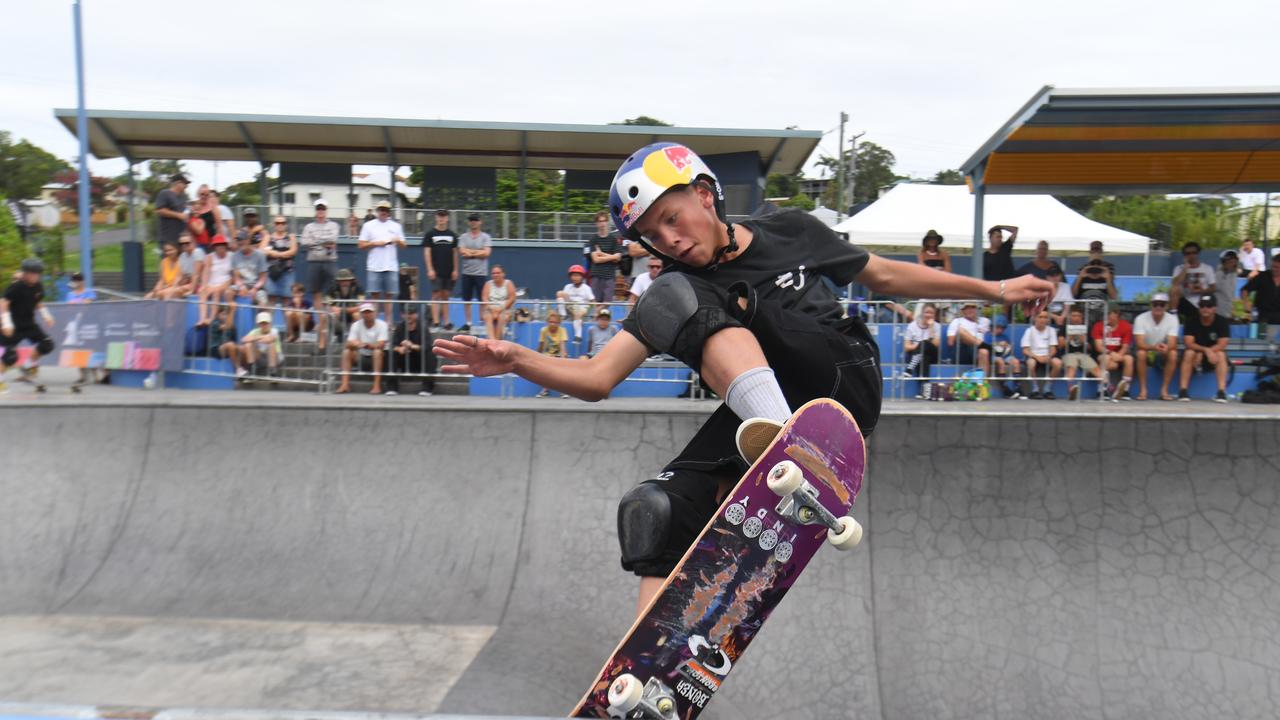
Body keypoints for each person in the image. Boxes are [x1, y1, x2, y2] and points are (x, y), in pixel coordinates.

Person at [432, 142, 1053, 615]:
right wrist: (517, 361)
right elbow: (598, 378)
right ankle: (650, 676)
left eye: (673, 219)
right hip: (765, 414)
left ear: (706, 194)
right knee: (656, 509)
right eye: (652, 237)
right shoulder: (676, 285)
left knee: (679, 297)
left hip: (840, 377)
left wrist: (995, 288)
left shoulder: (792, 230)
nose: (671, 241)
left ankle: (786, 440)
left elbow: (886, 277)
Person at [0, 259, 56, 392]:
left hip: (29, 325)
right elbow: (3, 303)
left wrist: (46, 315)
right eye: (32, 274)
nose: (35, 277)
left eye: (37, 274)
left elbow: (38, 302)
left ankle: (28, 367)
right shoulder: (16, 287)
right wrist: (6, 323)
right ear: (24, 274)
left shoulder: (38, 286)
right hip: (13, 326)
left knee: (47, 344)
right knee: (10, 356)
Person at [358, 200, 405, 322]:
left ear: (389, 212)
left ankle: (388, 324)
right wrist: (374, 243)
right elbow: (361, 245)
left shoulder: (396, 226)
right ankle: (375, 323)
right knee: (375, 296)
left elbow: (404, 245)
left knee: (389, 296)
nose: (383, 212)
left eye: (385, 210)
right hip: (374, 266)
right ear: (377, 211)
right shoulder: (368, 225)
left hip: (391, 266)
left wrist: (397, 240)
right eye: (381, 209)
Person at [1179, 294, 1231, 403]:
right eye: (1202, 306)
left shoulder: (1222, 321)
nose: (1205, 309)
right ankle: (1183, 390)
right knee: (1189, 353)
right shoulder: (1191, 320)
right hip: (1195, 356)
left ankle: (1221, 392)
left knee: (1221, 354)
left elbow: (1222, 344)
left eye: (1209, 306)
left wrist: (1209, 352)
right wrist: (1205, 350)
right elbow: (1188, 343)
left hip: (1213, 357)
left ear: (1215, 307)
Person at [300, 199, 340, 339]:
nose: (320, 211)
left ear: (326, 210)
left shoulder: (334, 225)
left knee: (331, 293)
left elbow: (333, 239)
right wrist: (323, 243)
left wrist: (316, 243)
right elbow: (304, 242)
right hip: (314, 262)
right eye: (318, 209)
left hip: (330, 261)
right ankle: (320, 320)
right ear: (315, 210)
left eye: (322, 209)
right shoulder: (309, 226)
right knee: (316, 293)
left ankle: (330, 321)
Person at [1132, 292, 1181, 401]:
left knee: (1173, 354)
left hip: (1161, 352)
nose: (1158, 307)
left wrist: (1166, 347)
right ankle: (1143, 390)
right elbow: (1139, 343)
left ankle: (1164, 390)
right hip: (1147, 350)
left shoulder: (1173, 319)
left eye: (1162, 304)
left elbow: (1172, 343)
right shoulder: (1140, 318)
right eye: (1155, 304)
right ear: (1151, 305)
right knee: (1141, 353)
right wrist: (1154, 347)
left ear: (1167, 306)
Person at [337, 303, 387, 394]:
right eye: (364, 312)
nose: (367, 314)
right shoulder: (356, 325)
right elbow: (348, 344)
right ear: (361, 314)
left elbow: (382, 344)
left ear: (374, 313)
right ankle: (344, 385)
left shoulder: (382, 324)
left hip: (377, 357)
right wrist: (357, 344)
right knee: (346, 352)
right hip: (360, 355)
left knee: (377, 352)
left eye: (369, 312)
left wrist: (368, 345)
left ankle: (376, 386)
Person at [424, 209, 459, 331]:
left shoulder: (452, 235)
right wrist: (430, 269)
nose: (441, 219)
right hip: (436, 270)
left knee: (446, 296)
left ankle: (447, 322)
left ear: (447, 218)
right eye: (439, 216)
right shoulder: (430, 234)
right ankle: (436, 322)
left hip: (448, 271)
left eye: (444, 216)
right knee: (435, 295)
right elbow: (427, 252)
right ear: (436, 218)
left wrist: (455, 270)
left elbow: (455, 253)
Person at [387, 305, 434, 396]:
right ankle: (392, 387)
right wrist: (399, 349)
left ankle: (427, 388)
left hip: (420, 361)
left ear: (416, 315)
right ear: (402, 315)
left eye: (411, 313)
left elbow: (427, 346)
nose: (408, 316)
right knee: (391, 353)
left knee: (430, 354)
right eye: (406, 313)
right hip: (404, 360)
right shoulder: (400, 327)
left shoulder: (423, 327)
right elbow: (392, 345)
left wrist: (412, 346)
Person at [457, 213, 492, 333]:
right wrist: (478, 252)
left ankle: (482, 321)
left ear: (480, 222)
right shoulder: (463, 237)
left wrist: (470, 253)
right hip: (467, 273)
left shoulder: (485, 237)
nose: (473, 222)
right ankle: (468, 323)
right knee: (467, 299)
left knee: (482, 299)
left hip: (481, 273)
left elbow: (486, 253)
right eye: (471, 220)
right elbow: (462, 251)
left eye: (476, 220)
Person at [1091, 306, 1134, 400]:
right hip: (1103, 354)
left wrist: (1119, 355)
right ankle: (1102, 389)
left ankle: (1125, 390)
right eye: (1106, 314)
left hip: (1119, 354)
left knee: (1129, 359)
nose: (1107, 317)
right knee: (1106, 358)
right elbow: (1099, 347)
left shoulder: (1126, 326)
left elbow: (1125, 346)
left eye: (1110, 314)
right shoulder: (1098, 326)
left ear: (1117, 315)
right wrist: (1111, 353)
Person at [1060, 307, 1102, 401]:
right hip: (1068, 353)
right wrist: (1070, 337)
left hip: (1083, 354)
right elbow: (1061, 345)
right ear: (1070, 317)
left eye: (1079, 316)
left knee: (1095, 368)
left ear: (1082, 318)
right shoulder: (1064, 327)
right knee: (1071, 366)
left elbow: (1092, 348)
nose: (1076, 318)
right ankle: (1071, 390)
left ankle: (1106, 389)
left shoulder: (1088, 328)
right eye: (1074, 315)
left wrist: (1084, 341)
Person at [1170, 241, 1215, 326]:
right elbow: (1174, 284)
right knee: (1173, 289)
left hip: (1202, 302)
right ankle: (1173, 315)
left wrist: (1202, 291)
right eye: (1188, 253)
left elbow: (1213, 288)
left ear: (1198, 253)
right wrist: (1185, 268)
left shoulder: (1207, 268)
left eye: (1194, 252)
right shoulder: (1179, 268)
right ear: (1184, 255)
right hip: (1184, 301)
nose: (1191, 255)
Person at [1072, 243, 1117, 329]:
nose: (1096, 253)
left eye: (1098, 251)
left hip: (1101, 312)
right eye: (1093, 251)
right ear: (1090, 252)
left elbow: (1113, 296)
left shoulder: (1108, 268)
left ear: (1102, 252)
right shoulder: (1083, 268)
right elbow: (1073, 294)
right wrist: (1080, 277)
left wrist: (1107, 278)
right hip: (1084, 312)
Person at [1241, 252, 1280, 349]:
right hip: (1264, 316)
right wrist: (1246, 303)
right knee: (1262, 343)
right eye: (1273, 266)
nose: (1274, 269)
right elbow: (1245, 290)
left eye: (1277, 267)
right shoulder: (1263, 276)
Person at [1021, 310, 1061, 399]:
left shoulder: (1051, 330)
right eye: (1040, 317)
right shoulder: (1029, 331)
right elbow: (1025, 350)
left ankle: (1048, 389)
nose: (1043, 319)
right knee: (1031, 363)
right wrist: (1037, 357)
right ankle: (1035, 389)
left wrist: (1048, 356)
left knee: (1058, 363)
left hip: (1047, 356)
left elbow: (1053, 349)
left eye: (1045, 317)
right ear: (1035, 318)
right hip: (1034, 356)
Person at [196, 236, 234, 326]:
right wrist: (204, 285)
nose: (220, 248)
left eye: (222, 245)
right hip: (211, 283)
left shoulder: (231, 256)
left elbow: (233, 274)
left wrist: (220, 286)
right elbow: (206, 272)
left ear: (225, 246)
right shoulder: (209, 257)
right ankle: (202, 319)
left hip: (225, 282)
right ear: (214, 247)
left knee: (216, 292)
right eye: (217, 246)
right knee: (202, 292)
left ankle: (212, 319)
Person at [261, 216, 298, 305]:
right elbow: (262, 250)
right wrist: (283, 254)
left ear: (286, 225)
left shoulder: (291, 237)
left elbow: (293, 251)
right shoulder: (268, 237)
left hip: (287, 272)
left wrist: (275, 253)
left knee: (287, 301)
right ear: (274, 225)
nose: (280, 225)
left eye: (283, 223)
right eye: (278, 223)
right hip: (271, 272)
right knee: (271, 299)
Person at [947, 301, 991, 375]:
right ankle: (983, 346)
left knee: (984, 352)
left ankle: (981, 384)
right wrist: (968, 338)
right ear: (963, 310)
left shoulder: (986, 321)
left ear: (977, 309)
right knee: (960, 331)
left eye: (972, 307)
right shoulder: (957, 321)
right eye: (967, 308)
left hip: (980, 352)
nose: (970, 310)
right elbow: (950, 342)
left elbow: (994, 335)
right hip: (962, 352)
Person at [588, 211, 624, 302]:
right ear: (596, 223)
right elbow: (596, 260)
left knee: (607, 303)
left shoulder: (614, 239)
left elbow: (618, 258)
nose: (602, 223)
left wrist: (602, 254)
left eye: (604, 221)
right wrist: (612, 257)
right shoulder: (593, 239)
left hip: (610, 277)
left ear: (607, 222)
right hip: (597, 276)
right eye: (600, 221)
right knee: (595, 303)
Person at [900, 302, 939, 381]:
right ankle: (924, 391)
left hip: (932, 354)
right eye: (927, 312)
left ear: (934, 315)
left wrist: (931, 328)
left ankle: (910, 369)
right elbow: (906, 347)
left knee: (924, 343)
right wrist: (920, 347)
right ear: (922, 313)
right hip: (917, 356)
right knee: (923, 358)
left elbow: (936, 344)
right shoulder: (912, 325)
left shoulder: (936, 326)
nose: (929, 315)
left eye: (931, 313)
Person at [534, 311, 570, 397]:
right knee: (545, 365)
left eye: (555, 322)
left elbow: (562, 346)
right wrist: (534, 356)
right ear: (547, 322)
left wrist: (563, 358)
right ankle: (545, 390)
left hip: (558, 355)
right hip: (547, 356)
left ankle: (563, 391)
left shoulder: (562, 330)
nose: (553, 324)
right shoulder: (543, 330)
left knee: (562, 363)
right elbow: (541, 346)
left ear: (559, 323)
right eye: (551, 322)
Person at [989, 315, 1024, 398]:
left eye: (1002, 328)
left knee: (1016, 361)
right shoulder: (988, 335)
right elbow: (987, 347)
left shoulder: (1004, 337)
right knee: (1000, 361)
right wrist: (997, 344)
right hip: (993, 356)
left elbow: (1008, 350)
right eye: (997, 327)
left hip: (1005, 355)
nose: (999, 330)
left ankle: (1018, 388)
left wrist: (1008, 346)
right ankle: (1005, 388)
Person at [556, 265, 595, 341]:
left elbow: (593, 301)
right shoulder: (567, 286)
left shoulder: (586, 288)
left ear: (582, 277)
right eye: (573, 275)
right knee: (559, 293)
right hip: (570, 306)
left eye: (577, 275)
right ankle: (563, 315)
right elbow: (564, 299)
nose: (575, 278)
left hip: (583, 308)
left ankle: (578, 336)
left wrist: (589, 311)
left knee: (577, 313)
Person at [240, 311, 282, 378]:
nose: (264, 325)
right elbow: (243, 340)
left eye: (266, 323)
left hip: (275, 357)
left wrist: (254, 339)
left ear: (270, 323)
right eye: (262, 323)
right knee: (248, 344)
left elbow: (270, 339)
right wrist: (260, 337)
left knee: (271, 345)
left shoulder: (274, 330)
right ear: (258, 324)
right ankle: (251, 369)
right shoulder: (255, 331)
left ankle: (273, 372)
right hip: (261, 357)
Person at [231, 232, 269, 306]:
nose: (240, 242)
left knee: (263, 302)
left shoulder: (260, 255)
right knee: (228, 293)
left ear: (248, 240)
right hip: (242, 284)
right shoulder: (234, 256)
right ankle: (230, 314)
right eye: (238, 240)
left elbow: (263, 279)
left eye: (242, 239)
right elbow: (236, 278)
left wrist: (255, 289)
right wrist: (241, 286)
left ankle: (261, 315)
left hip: (257, 286)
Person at [481, 264, 516, 340]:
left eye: (498, 273)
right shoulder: (488, 284)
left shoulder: (509, 283)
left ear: (503, 274)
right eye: (493, 273)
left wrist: (500, 309)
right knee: (488, 317)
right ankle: (492, 341)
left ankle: (497, 341)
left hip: (505, 309)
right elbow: (484, 298)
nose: (495, 275)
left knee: (502, 317)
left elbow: (512, 298)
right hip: (490, 309)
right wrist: (492, 309)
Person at [154, 174, 190, 247]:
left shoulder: (183, 197)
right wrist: (178, 215)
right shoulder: (164, 193)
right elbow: (159, 211)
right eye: (184, 183)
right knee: (168, 259)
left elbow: (184, 214)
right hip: (168, 239)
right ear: (177, 183)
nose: (186, 186)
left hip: (181, 239)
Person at [208, 304, 239, 369]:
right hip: (215, 349)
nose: (225, 316)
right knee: (230, 345)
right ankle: (238, 369)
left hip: (227, 348)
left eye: (226, 314)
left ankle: (248, 372)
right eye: (223, 314)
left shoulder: (232, 326)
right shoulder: (215, 323)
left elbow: (234, 340)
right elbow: (227, 327)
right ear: (218, 314)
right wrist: (232, 311)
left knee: (242, 348)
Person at [1213, 250, 1241, 320]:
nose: (1234, 265)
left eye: (1235, 262)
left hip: (1231, 313)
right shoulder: (1218, 275)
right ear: (1224, 263)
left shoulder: (1233, 274)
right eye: (1230, 262)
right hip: (1219, 313)